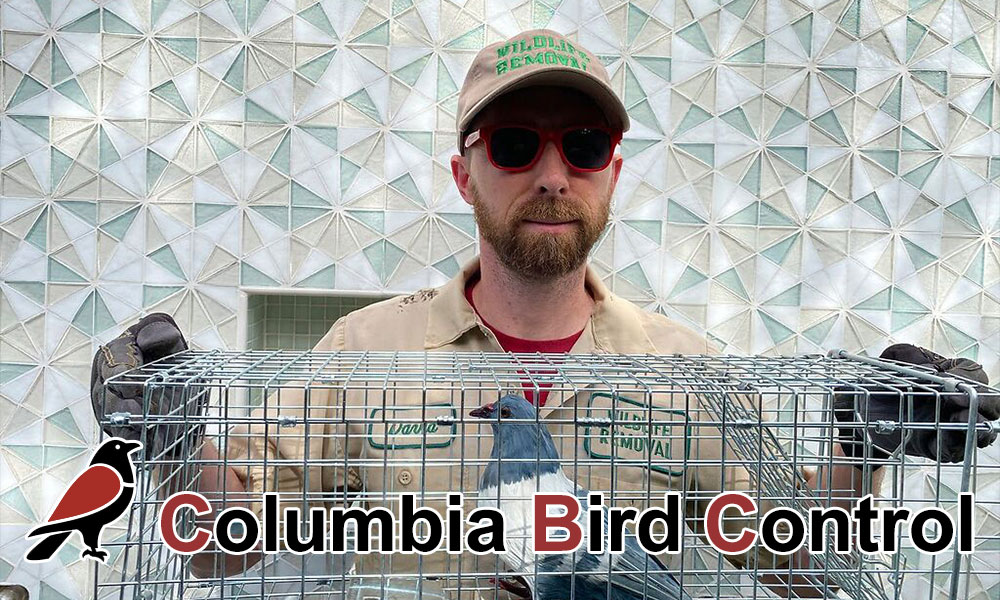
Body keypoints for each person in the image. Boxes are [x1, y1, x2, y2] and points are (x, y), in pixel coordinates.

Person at [90, 29, 996, 600]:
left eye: (585, 145)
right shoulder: (364, 350)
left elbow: (800, 569)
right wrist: (174, 436)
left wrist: (862, 446)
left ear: (613, 173)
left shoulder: (685, 368)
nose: (554, 175)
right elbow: (217, 547)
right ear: (464, 174)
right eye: (517, 144)